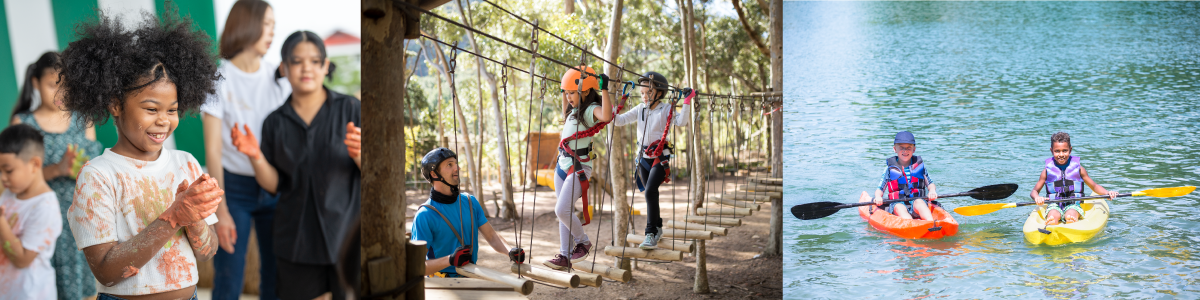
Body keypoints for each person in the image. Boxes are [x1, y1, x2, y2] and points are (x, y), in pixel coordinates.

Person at [60, 7, 224, 300]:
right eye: (151, 109)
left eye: (172, 110)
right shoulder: (98, 175)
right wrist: (174, 216)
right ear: (115, 105)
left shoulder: (185, 163)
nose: (164, 120)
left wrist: (195, 218)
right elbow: (106, 272)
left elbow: (207, 252)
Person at [230, 30, 360, 300]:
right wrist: (255, 156)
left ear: (325, 66)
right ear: (284, 68)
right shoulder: (274, 122)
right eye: (297, 61)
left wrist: (361, 156)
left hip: (347, 237)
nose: (306, 68)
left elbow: (373, 176)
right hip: (296, 239)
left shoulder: (351, 109)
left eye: (314, 61)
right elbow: (275, 185)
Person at [201, 1, 288, 298]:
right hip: (232, 188)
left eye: (274, 26)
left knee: (275, 275)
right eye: (266, 24)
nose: (272, 32)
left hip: (273, 184)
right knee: (229, 275)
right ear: (246, 24)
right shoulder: (218, 77)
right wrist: (220, 210)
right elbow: (212, 149)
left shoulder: (279, 77)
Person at [9, 51, 102, 300]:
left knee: (84, 287)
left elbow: (94, 169)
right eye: (52, 85)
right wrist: (57, 170)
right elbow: (11, 178)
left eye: (67, 85)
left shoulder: (84, 120)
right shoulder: (23, 123)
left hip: (79, 216)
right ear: (35, 83)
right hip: (38, 217)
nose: (61, 92)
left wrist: (84, 169)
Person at [610, 71, 694, 249]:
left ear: (659, 93)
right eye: (641, 93)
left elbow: (681, 122)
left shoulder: (666, 109)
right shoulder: (640, 109)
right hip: (643, 158)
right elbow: (618, 121)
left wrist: (686, 101)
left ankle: (650, 233)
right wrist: (607, 102)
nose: (644, 96)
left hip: (660, 158)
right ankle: (657, 227)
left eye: (648, 92)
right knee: (651, 195)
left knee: (649, 192)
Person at [543, 65, 614, 271]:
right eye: (567, 93)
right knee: (563, 212)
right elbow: (566, 98)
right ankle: (564, 255)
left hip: (579, 166)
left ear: (585, 91)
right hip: (562, 165)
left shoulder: (590, 110)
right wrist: (564, 85)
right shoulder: (572, 111)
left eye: (572, 92)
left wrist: (604, 89)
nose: (568, 96)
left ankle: (583, 241)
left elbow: (607, 116)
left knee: (561, 210)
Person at [411, 148, 523, 277]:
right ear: (434, 174)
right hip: (441, 284)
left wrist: (511, 251)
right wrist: (450, 259)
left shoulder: (470, 202)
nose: (457, 168)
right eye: (449, 165)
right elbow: (417, 267)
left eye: (456, 163)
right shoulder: (425, 214)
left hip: (471, 276)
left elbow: (491, 236)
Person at [0, 124, 63, 299]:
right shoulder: (9, 193)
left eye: (8, 170)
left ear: (35, 164)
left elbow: (22, 260)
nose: (3, 177)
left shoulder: (45, 207)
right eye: (0, 171)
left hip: (30, 294)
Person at [1031, 132, 1118, 225]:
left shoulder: (1079, 169)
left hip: (1073, 204)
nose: (1061, 154)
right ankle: (1052, 221)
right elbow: (1034, 191)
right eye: (1057, 151)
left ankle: (1071, 220)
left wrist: (1107, 193)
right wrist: (1037, 198)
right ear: (1052, 151)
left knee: (1071, 213)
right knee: (1053, 213)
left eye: (1065, 150)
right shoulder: (1046, 171)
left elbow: (1094, 186)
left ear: (1070, 150)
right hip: (1054, 205)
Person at [863, 131, 939, 220]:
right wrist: (878, 197)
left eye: (908, 148)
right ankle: (910, 223)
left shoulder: (919, 167)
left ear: (914, 150)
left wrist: (932, 191)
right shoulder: (889, 169)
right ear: (895, 149)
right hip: (897, 203)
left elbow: (930, 184)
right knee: (899, 207)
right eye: (901, 147)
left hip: (917, 200)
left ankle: (931, 224)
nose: (905, 151)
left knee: (920, 203)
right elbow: (880, 189)